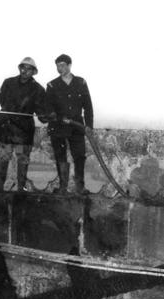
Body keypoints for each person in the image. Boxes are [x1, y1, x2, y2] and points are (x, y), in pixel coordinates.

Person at [0, 57, 47, 192]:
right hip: (6, 128)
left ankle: (21, 189)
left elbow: (41, 111)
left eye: (29, 69)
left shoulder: (38, 89)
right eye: (23, 68)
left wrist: (46, 116)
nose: (25, 71)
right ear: (19, 68)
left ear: (33, 72)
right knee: (2, 159)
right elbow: (2, 100)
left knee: (22, 160)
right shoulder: (8, 83)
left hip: (23, 131)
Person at [45, 54, 94, 194]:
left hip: (77, 127)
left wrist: (89, 126)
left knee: (79, 156)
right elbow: (48, 108)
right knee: (60, 156)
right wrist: (59, 118)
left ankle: (80, 186)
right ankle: (63, 187)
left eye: (62, 65)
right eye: (57, 65)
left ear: (69, 65)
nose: (59, 68)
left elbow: (88, 106)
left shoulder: (81, 82)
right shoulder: (52, 85)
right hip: (58, 127)